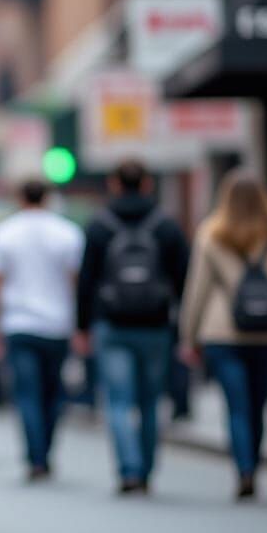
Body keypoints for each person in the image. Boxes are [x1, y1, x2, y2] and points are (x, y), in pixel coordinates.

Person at [179, 170, 267, 499]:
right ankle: (254, 463)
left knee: (236, 406)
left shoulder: (212, 232)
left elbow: (198, 290)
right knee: (257, 403)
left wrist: (189, 336)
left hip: (223, 334)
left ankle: (244, 469)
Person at [74, 160, 189, 494]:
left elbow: (86, 282)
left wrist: (82, 327)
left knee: (119, 400)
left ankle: (129, 470)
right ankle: (148, 469)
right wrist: (184, 328)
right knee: (151, 402)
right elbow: (184, 280)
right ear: (148, 184)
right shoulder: (166, 226)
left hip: (112, 326)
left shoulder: (99, 226)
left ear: (114, 184)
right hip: (156, 326)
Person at [0, 179, 84, 481]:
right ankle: (46, 450)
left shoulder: (4, 233)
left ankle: (35, 456)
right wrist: (80, 324)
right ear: (49, 197)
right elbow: (76, 282)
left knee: (27, 394)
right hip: (58, 324)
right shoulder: (68, 233)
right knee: (54, 393)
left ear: (19, 196)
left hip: (19, 325)